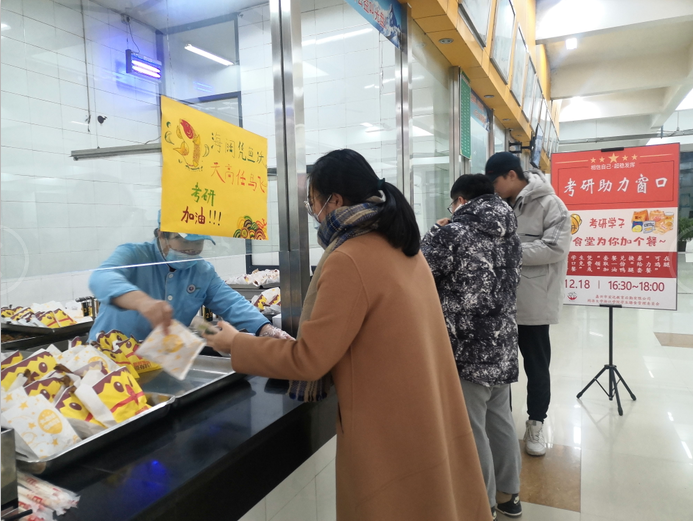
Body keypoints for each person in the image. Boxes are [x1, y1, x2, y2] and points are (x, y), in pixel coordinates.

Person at [205, 149, 491, 521]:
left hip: (384, 423)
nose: (313, 213)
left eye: (312, 203)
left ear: (335, 201)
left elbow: (309, 360)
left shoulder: (348, 258)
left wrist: (235, 344)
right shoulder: (402, 245)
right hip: (423, 406)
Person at [421, 174, 523, 519]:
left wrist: (434, 231)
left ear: (461, 201)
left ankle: (482, 505)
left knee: (471, 429)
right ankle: (508, 496)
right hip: (503, 344)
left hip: (466, 350)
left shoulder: (453, 233)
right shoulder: (510, 234)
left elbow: (420, 270)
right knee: (501, 421)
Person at [485, 152, 571, 457]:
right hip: (500, 304)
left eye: (495, 182)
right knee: (500, 369)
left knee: (536, 367)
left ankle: (536, 423)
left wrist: (508, 250)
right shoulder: (498, 205)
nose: (493, 189)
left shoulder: (551, 205)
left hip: (534, 303)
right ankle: (502, 424)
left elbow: (555, 248)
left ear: (511, 175)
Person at [88, 217, 289, 342]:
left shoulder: (201, 270)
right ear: (161, 235)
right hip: (110, 359)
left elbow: (231, 303)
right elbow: (101, 278)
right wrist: (142, 302)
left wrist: (265, 328)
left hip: (159, 362)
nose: (191, 249)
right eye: (183, 240)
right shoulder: (134, 255)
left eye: (198, 242)